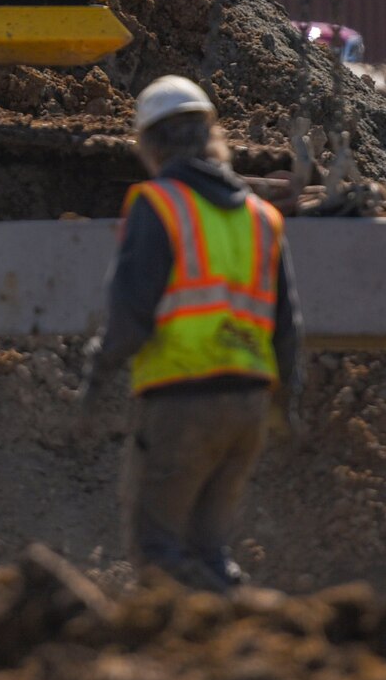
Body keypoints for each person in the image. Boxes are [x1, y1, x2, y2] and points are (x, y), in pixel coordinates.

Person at [79, 75, 302, 591]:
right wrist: (286, 405)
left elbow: (131, 315)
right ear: (212, 137)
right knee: (208, 549)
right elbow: (288, 326)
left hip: (182, 402)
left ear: (149, 146)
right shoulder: (261, 218)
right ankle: (235, 637)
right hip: (247, 405)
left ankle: (211, 641)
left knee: (156, 550)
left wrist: (95, 378)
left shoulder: (157, 206)